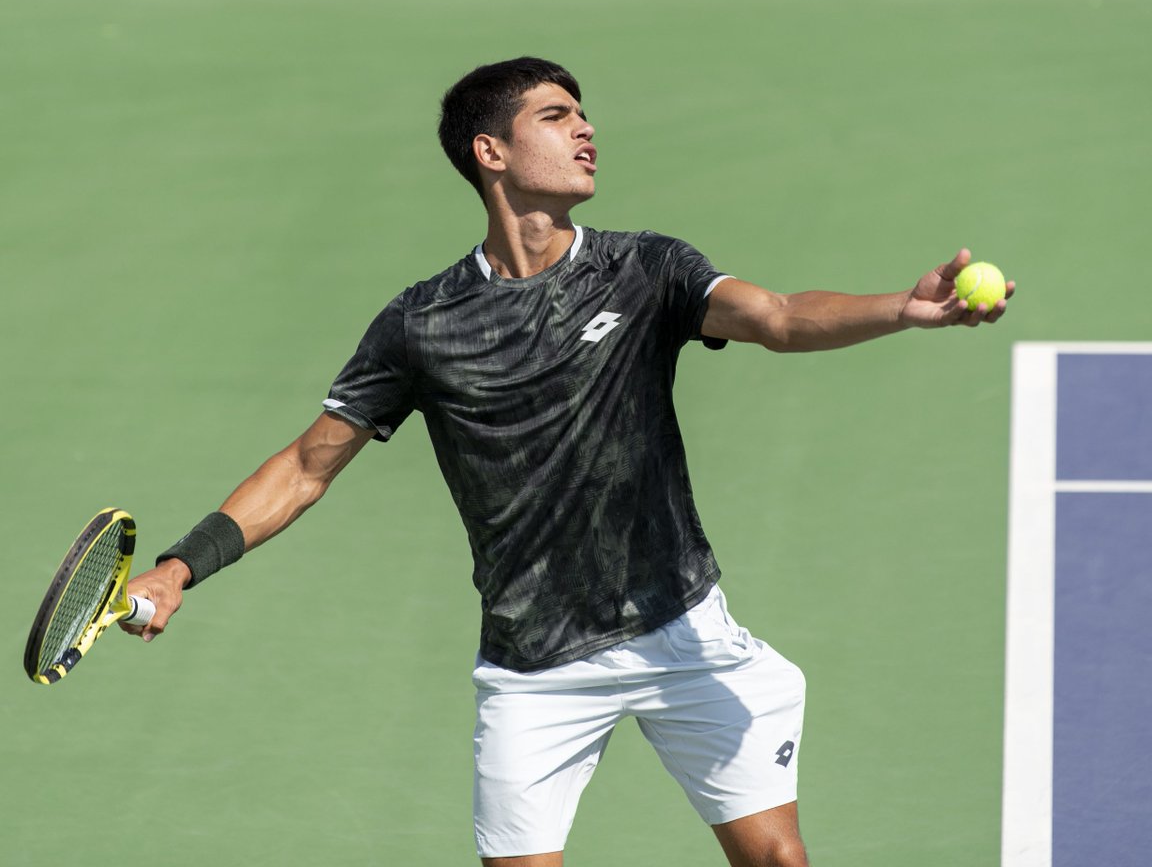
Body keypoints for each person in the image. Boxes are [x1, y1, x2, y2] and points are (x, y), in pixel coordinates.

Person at [124, 57, 1013, 867]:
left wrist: (899, 308)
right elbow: (307, 467)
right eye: (555, 116)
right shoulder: (423, 325)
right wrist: (178, 567)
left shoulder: (646, 269)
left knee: (777, 861)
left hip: (680, 627)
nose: (585, 129)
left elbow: (776, 317)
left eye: (583, 115)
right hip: (534, 666)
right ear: (491, 153)